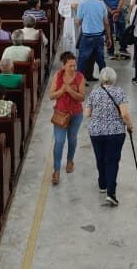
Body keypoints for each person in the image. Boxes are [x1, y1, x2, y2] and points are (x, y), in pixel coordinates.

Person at [85, 67, 132, 207]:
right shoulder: (119, 92)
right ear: (114, 78)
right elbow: (124, 114)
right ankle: (111, 193)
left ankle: (102, 184)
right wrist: (130, 125)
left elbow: (87, 113)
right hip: (115, 132)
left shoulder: (94, 92)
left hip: (96, 132)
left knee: (100, 158)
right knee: (112, 161)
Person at [49, 51, 86, 186]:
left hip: (76, 114)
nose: (73, 68)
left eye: (74, 65)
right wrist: (62, 90)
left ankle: (70, 160)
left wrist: (70, 91)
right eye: (70, 65)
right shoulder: (57, 76)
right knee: (59, 142)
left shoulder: (80, 77)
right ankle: (56, 170)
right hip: (61, 114)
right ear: (63, 65)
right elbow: (51, 95)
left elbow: (82, 97)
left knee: (72, 138)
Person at [75, 0, 110, 80]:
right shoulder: (101, 4)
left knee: (82, 60)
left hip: (87, 37)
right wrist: (109, 37)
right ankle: (105, 80)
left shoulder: (82, 4)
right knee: (101, 60)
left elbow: (78, 22)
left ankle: (80, 82)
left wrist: (76, 21)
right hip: (99, 37)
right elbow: (106, 22)